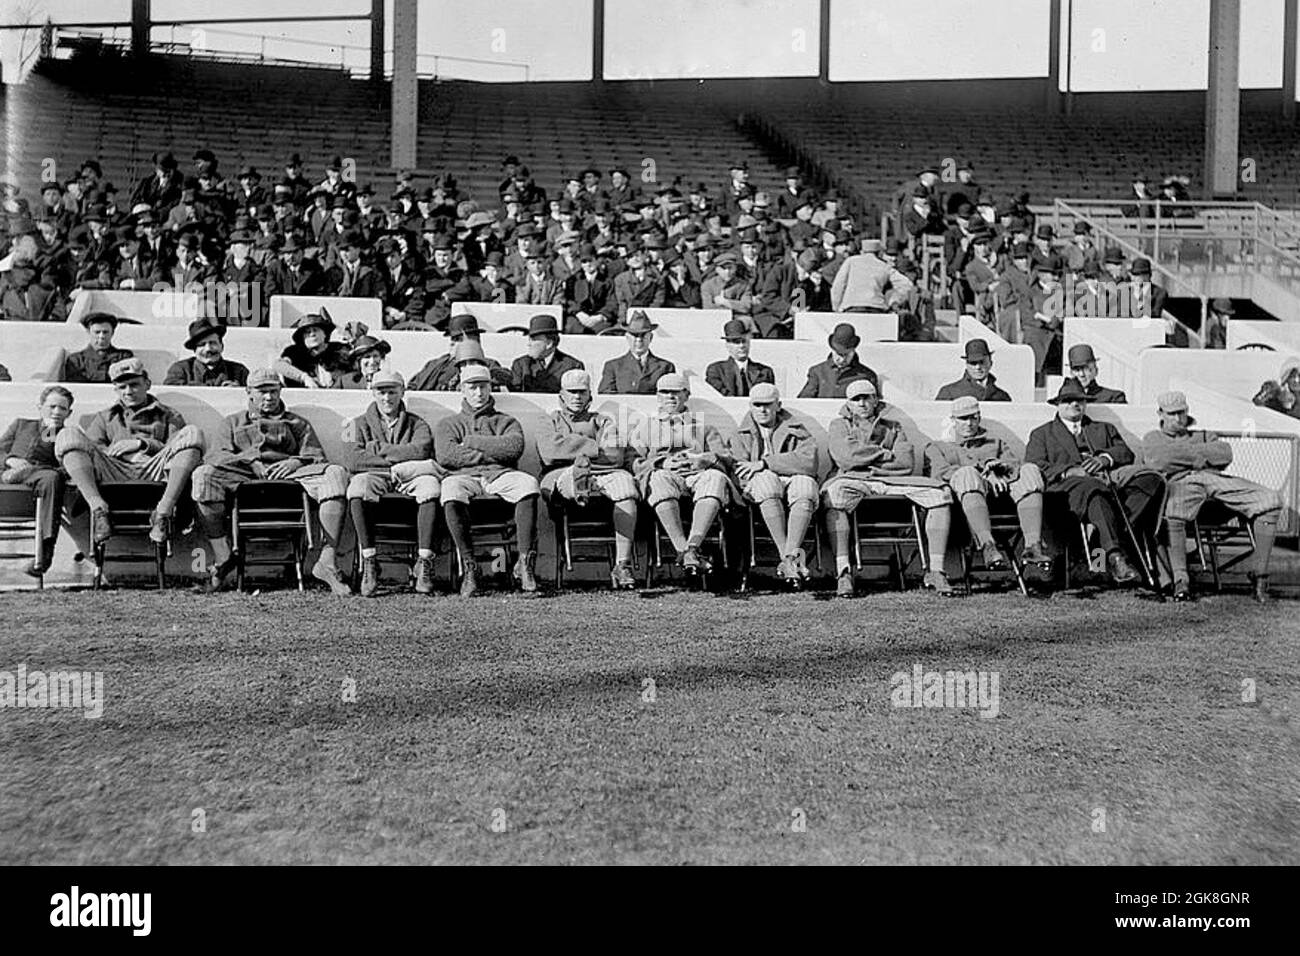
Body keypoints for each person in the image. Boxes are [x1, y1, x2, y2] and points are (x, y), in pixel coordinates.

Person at [191, 369, 351, 595]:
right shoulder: (232, 422)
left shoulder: (298, 423)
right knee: (203, 476)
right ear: (249, 392)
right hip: (242, 479)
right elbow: (216, 456)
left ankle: (327, 561)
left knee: (335, 474)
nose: (269, 397)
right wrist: (249, 461)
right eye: (262, 391)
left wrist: (295, 462)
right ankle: (223, 557)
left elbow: (316, 456)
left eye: (273, 391)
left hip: (288, 481)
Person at [1142, 391, 1282, 603]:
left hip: (1214, 480)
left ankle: (1259, 575)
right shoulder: (1153, 437)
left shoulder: (1205, 434)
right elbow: (1158, 460)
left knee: (1271, 500)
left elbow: (1225, 453)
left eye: (1182, 412)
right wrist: (1202, 455)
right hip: (1182, 481)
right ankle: (1181, 579)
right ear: (1160, 413)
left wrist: (1180, 454)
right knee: (1174, 506)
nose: (1179, 418)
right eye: (1172, 414)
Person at [821, 378, 956, 597]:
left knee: (940, 494)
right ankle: (843, 571)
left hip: (892, 481)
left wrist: (868, 460)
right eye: (856, 399)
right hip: (854, 479)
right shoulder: (840, 424)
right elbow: (846, 457)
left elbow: (905, 462)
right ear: (849, 404)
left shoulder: (894, 426)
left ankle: (936, 570)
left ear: (876, 400)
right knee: (834, 496)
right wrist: (883, 454)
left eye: (867, 398)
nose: (862, 403)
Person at [1024, 379, 1165, 587]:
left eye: (1079, 400)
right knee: (1093, 489)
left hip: (1106, 488)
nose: (1074, 404)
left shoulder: (1103, 428)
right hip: (1064, 494)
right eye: (1068, 400)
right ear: (1058, 405)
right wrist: (1068, 471)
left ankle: (1101, 540)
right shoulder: (1042, 433)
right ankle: (1116, 558)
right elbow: (1034, 464)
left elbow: (1126, 453)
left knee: (1151, 481)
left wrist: (1105, 458)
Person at [53, 358, 206, 546]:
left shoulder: (168, 415)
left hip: (154, 470)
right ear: (116, 390)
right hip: (114, 470)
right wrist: (117, 451)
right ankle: (98, 509)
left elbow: (176, 447)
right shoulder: (105, 417)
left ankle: (163, 512)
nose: (128, 391)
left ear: (147, 384)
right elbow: (91, 450)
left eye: (134, 385)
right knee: (68, 435)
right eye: (122, 387)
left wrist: (142, 444)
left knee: (192, 433)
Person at [434, 363, 541, 597]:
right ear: (462, 389)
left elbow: (513, 449)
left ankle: (524, 564)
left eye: (483, 387)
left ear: (490, 388)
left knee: (528, 484)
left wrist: (472, 442)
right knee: (450, 489)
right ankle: (470, 567)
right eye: (472, 387)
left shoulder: (506, 421)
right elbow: (447, 456)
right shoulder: (448, 423)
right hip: (464, 477)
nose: (478, 393)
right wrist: (491, 451)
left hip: (499, 475)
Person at [537, 368, 640, 589]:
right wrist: (594, 447)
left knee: (626, 487)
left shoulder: (603, 421)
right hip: (561, 475)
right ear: (561, 395)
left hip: (603, 473)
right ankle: (580, 479)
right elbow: (550, 452)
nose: (576, 397)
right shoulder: (550, 420)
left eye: (581, 392)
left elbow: (615, 455)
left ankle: (623, 564)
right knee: (572, 476)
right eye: (571, 392)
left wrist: (573, 449)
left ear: (590, 395)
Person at [925, 396, 1052, 575]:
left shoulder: (996, 442)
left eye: (973, 418)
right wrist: (983, 472)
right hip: (966, 507)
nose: (969, 423)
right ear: (953, 420)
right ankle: (987, 546)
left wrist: (996, 468)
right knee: (966, 473)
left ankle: (1033, 546)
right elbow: (940, 473)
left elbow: (1013, 464)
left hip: (1005, 501)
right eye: (963, 418)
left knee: (1030, 469)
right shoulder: (938, 446)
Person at [344, 370, 441, 597]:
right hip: (377, 476)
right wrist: (395, 463)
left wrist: (376, 449)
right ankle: (369, 561)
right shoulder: (351, 424)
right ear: (373, 393)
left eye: (392, 392)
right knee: (358, 487)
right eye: (381, 392)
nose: (387, 398)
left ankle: (424, 562)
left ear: (402, 393)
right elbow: (351, 459)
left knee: (431, 486)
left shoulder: (419, 424)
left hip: (409, 476)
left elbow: (422, 450)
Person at [631, 373, 735, 575]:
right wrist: (661, 462)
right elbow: (634, 462)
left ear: (686, 395)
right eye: (664, 392)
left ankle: (693, 547)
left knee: (716, 478)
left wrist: (704, 459)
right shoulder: (645, 427)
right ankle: (684, 550)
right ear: (657, 397)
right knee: (657, 479)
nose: (670, 397)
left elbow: (725, 457)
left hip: (697, 474)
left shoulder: (703, 427)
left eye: (676, 392)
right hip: (666, 474)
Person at [727, 383, 819, 586]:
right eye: (757, 405)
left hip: (791, 477)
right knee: (766, 483)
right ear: (750, 406)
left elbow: (809, 461)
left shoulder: (796, 428)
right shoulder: (741, 433)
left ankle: (789, 559)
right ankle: (789, 557)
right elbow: (741, 470)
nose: (762, 410)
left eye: (767, 405)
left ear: (778, 405)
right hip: (761, 487)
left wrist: (765, 463)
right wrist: (765, 470)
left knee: (806, 486)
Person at [0, 385, 74, 576]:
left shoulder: (67, 435)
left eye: (62, 409)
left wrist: (51, 430)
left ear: (69, 413)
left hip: (40, 482)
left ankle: (45, 553)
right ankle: (20, 471)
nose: (57, 412)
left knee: (53, 477)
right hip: (6, 482)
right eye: (52, 407)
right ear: (40, 407)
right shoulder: (21, 424)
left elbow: (68, 468)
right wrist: (9, 460)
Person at [407, 314, 512, 391]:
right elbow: (413, 386)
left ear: (474, 340)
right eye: (452, 339)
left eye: (458, 339)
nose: (452, 343)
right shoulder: (436, 364)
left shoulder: (488, 364)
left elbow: (505, 378)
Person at [598, 311, 676, 395]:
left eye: (643, 335)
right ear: (627, 337)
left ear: (651, 337)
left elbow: (670, 396)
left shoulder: (666, 367)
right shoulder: (613, 366)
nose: (639, 340)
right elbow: (605, 396)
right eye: (634, 335)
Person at [798, 323, 879, 399]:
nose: (842, 359)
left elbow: (874, 403)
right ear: (832, 350)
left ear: (854, 350)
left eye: (847, 355)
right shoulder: (817, 372)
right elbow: (802, 402)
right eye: (839, 354)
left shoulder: (867, 375)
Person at [163, 316, 250, 387]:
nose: (208, 349)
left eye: (213, 343)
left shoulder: (239, 371)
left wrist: (238, 391)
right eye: (202, 344)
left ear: (222, 346)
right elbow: (171, 391)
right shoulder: (180, 370)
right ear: (194, 350)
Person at [509, 314, 584, 393]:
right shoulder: (521, 365)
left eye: (533, 340)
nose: (529, 344)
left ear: (549, 343)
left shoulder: (572, 366)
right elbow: (515, 396)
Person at [276, 312, 353, 389]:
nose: (312, 334)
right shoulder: (294, 352)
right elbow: (279, 365)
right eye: (307, 332)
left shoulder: (340, 348)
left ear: (325, 334)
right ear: (302, 338)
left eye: (315, 330)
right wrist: (304, 377)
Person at [705, 319, 776, 397]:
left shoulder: (765, 372)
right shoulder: (716, 371)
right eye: (736, 342)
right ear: (728, 345)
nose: (742, 346)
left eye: (744, 341)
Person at [63, 311, 135, 384]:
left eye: (105, 332)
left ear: (112, 333)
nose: (101, 336)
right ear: (88, 332)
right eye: (97, 332)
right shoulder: (76, 360)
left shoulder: (124, 357)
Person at [934, 338, 1012, 402]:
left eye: (982, 362)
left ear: (990, 363)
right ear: (967, 365)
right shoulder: (948, 393)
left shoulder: (1002, 397)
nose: (978, 367)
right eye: (973, 363)